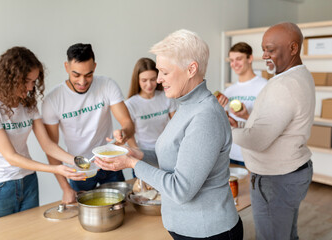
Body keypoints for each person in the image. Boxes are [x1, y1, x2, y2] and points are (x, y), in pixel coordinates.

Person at [95, 29, 243, 240]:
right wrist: (138, 154)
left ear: (191, 69)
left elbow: (181, 189)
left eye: (164, 72)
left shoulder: (205, 115)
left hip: (208, 231)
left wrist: (131, 164)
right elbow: (176, 155)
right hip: (187, 229)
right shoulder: (186, 105)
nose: (159, 80)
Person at [0, 47, 85, 222]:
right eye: (26, 81)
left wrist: (78, 161)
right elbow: (11, 157)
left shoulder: (28, 105)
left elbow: (47, 145)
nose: (30, 87)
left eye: (34, 81)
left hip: (28, 182)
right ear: (9, 78)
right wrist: (55, 169)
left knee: (29, 233)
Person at [231, 22, 314, 240]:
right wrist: (243, 123)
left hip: (276, 180)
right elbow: (278, 125)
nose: (264, 55)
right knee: (286, 234)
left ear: (293, 48)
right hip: (293, 172)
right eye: (263, 48)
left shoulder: (283, 85)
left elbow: (258, 140)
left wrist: (222, 130)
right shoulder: (302, 75)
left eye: (271, 49)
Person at [42, 43, 135, 204]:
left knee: (120, 207)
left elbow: (128, 123)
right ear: (66, 67)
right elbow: (51, 148)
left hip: (109, 163)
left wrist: (124, 133)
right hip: (79, 169)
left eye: (89, 74)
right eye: (76, 75)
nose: (83, 81)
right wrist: (65, 189)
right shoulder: (53, 100)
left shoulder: (107, 85)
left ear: (95, 67)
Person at [217, 42, 267, 166]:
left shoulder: (265, 86)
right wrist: (219, 111)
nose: (234, 64)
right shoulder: (228, 91)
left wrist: (246, 116)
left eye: (239, 59)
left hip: (253, 154)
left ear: (250, 58)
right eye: (232, 60)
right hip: (231, 153)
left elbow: (269, 124)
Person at [125, 57, 176, 150]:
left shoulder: (166, 97)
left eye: (153, 79)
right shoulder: (130, 104)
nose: (149, 85)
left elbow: (177, 124)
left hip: (167, 148)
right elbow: (129, 135)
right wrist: (138, 153)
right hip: (144, 151)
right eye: (144, 80)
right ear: (137, 80)